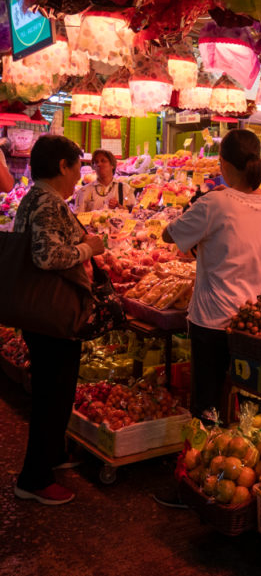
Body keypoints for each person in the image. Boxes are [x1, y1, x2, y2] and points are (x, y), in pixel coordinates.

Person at [163, 129, 261, 422]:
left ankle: (205, 462)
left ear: (225, 165)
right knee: (251, 406)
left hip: (213, 322)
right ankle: (246, 460)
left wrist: (204, 201)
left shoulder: (214, 204)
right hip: (258, 321)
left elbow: (169, 235)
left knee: (208, 406)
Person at [13, 135, 105, 505]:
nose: (79, 174)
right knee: (53, 393)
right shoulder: (48, 203)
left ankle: (53, 454)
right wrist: (89, 248)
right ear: (62, 166)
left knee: (55, 389)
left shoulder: (36, 199)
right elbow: (47, 257)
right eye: (77, 166)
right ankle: (34, 478)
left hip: (42, 311)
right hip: (52, 313)